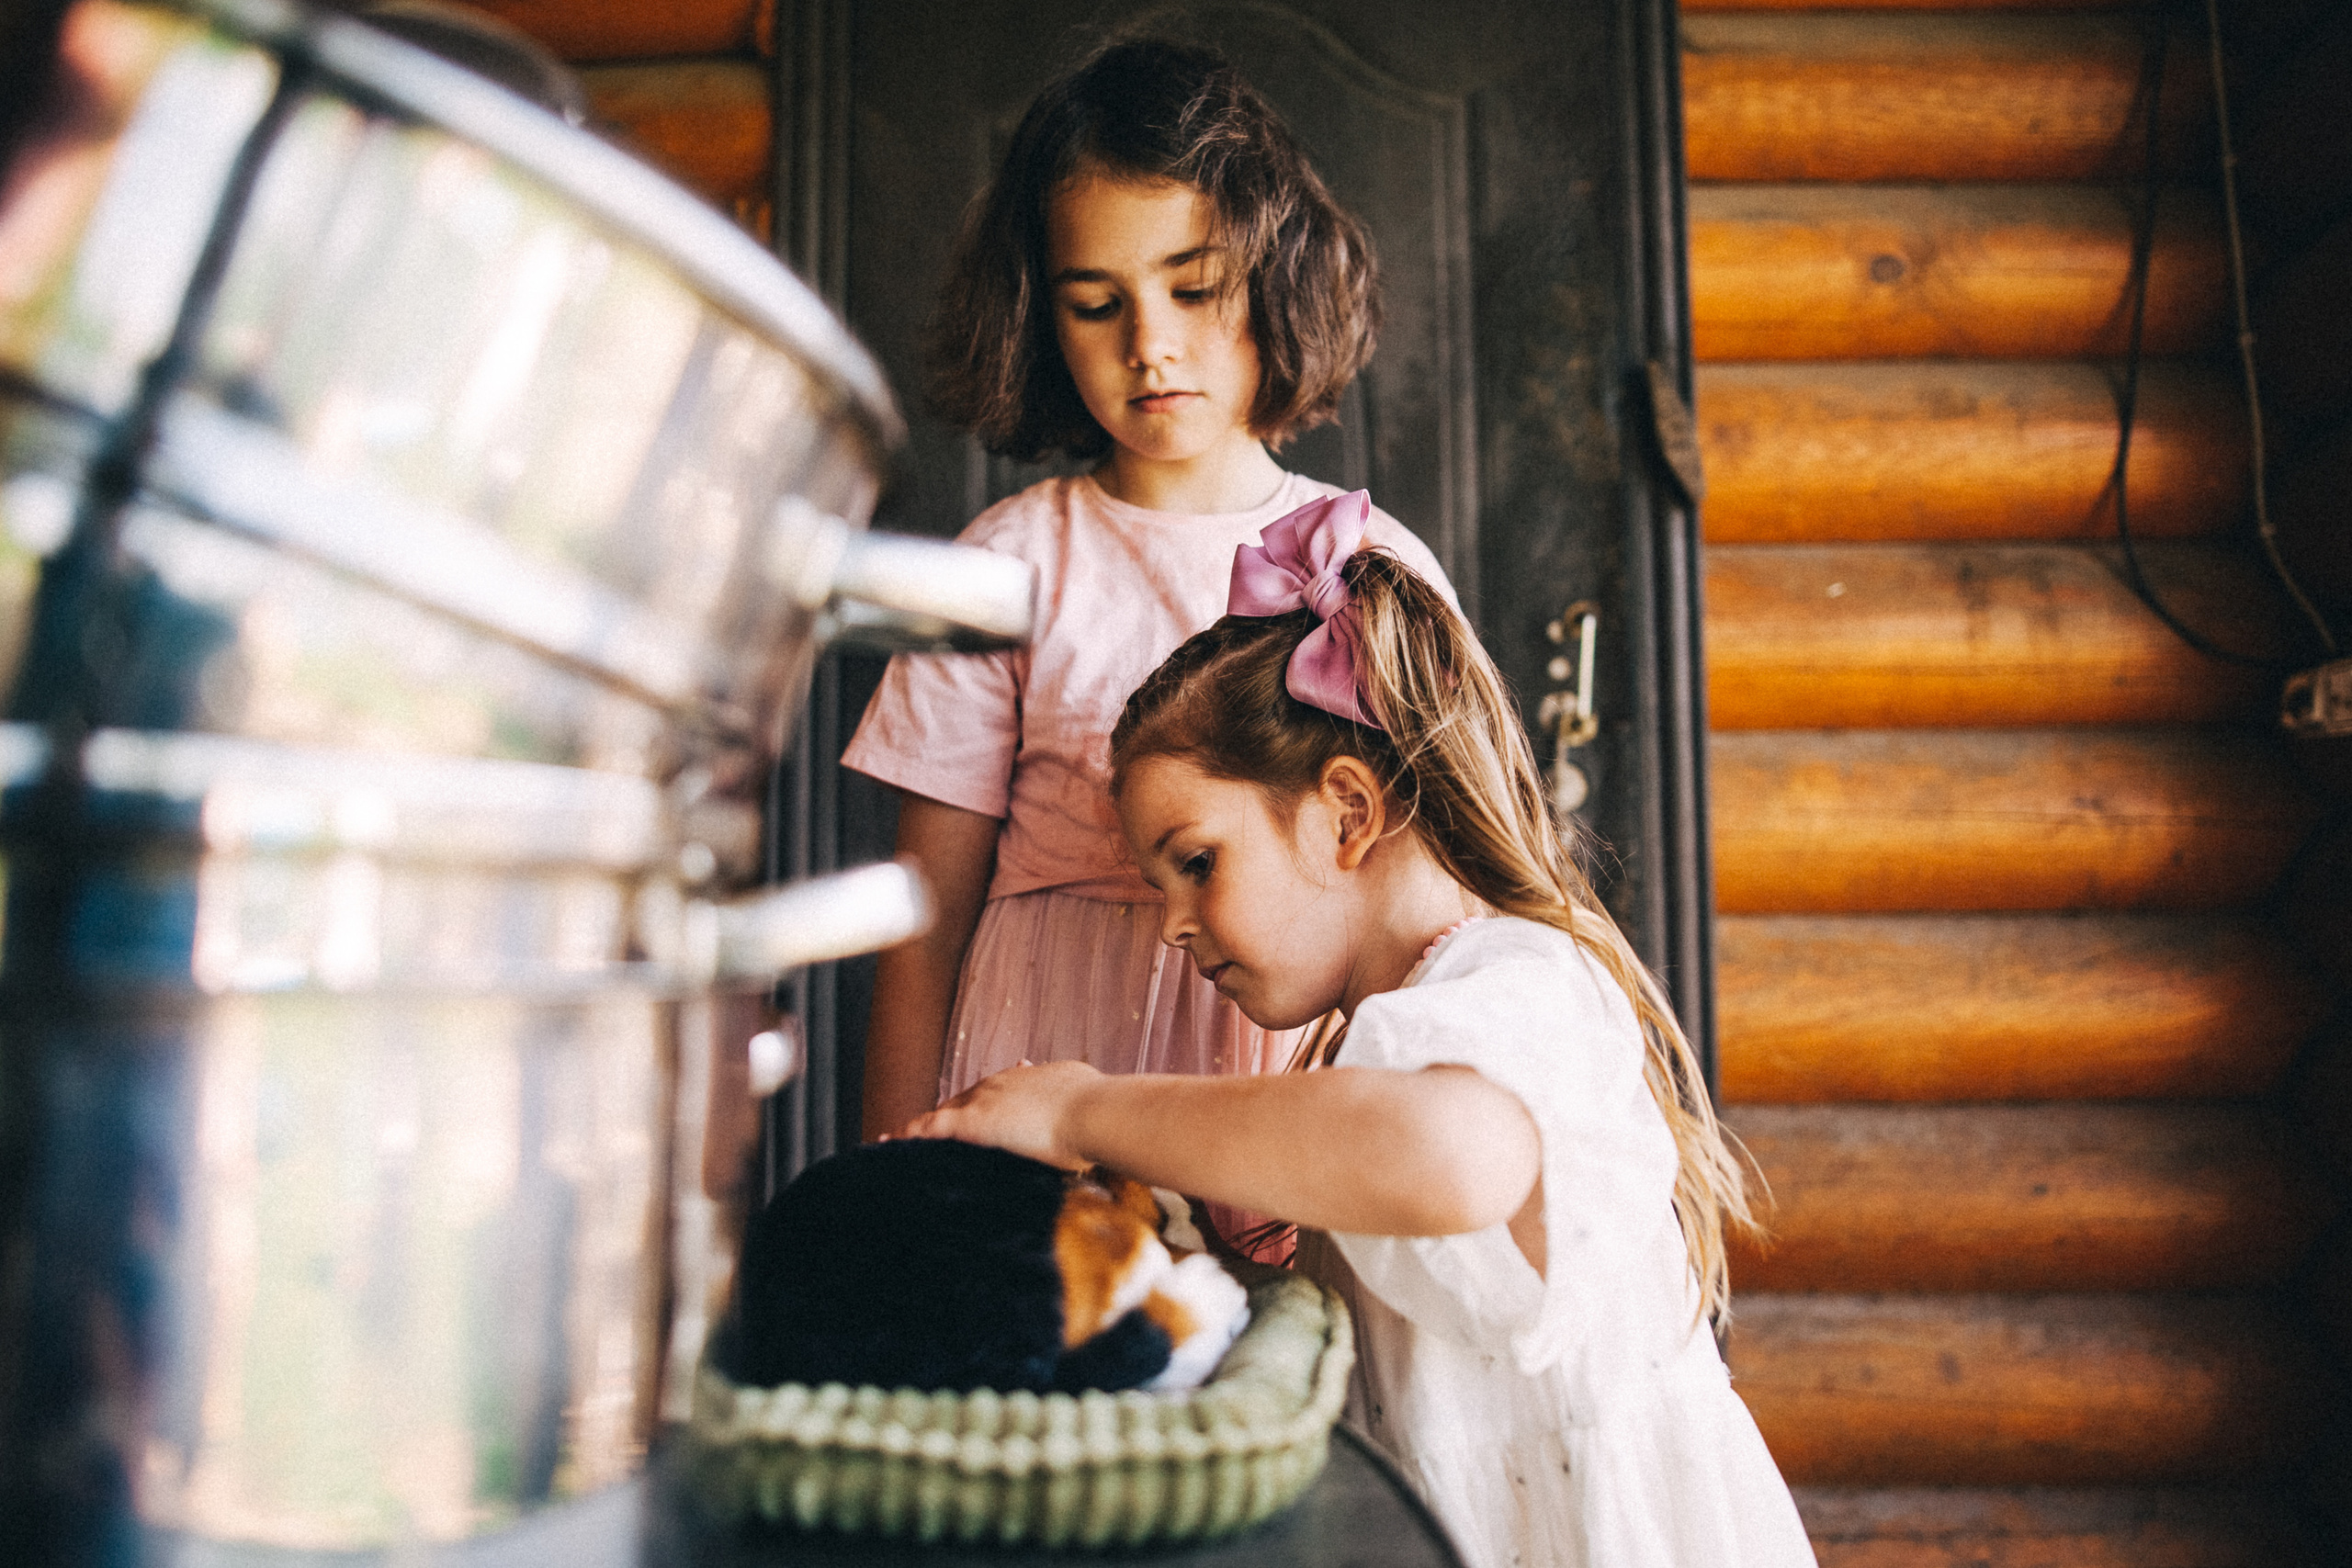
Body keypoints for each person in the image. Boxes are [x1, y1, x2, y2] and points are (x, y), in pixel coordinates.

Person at [896, 491, 1816, 1568]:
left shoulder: (1516, 981)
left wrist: (1085, 1103)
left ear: (1345, 811)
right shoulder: (1378, 1043)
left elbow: (1437, 1154)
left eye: (1195, 864)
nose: (1175, 932)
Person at [843, 38, 1454, 1161]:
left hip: (1286, 1096)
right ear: (1039, 317)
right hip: (1033, 1070)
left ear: (1274, 278)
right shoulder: (1003, 567)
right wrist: (897, 1178)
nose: (1150, 346)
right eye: (1094, 304)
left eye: (1193, 288)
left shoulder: (1370, 561)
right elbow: (920, 926)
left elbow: (1441, 894)